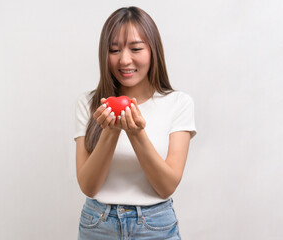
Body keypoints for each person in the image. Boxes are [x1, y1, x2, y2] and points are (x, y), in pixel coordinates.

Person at [74, 6, 197, 240]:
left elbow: (166, 186)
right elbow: (89, 187)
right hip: (98, 225)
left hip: (155, 227)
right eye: (114, 50)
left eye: (136, 48)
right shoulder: (89, 104)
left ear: (153, 51)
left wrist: (136, 133)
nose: (124, 60)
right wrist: (110, 132)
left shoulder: (178, 103)